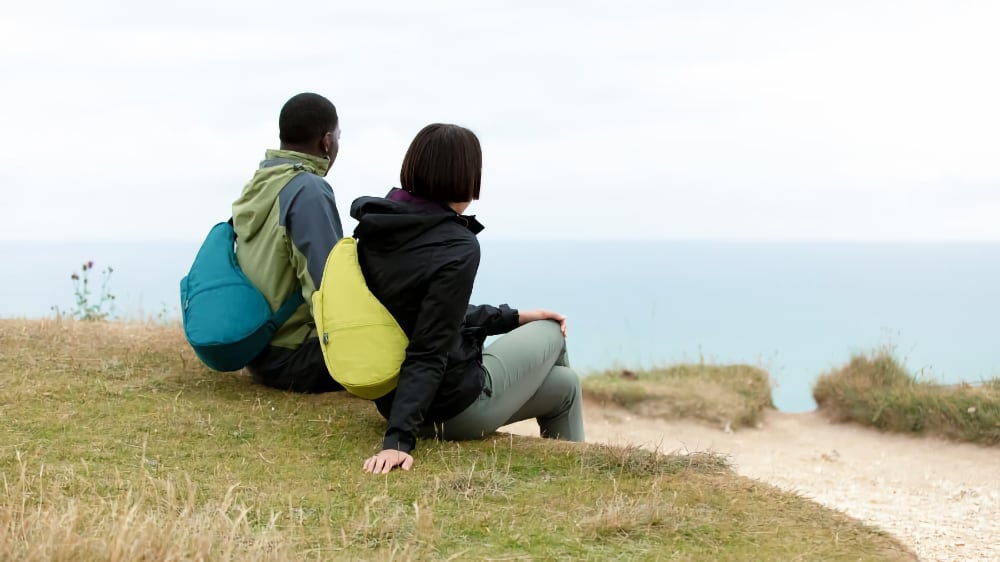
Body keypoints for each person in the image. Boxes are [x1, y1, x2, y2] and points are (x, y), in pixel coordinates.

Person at [351, 123, 585, 474]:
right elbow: (428, 347)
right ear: (466, 177)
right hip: (452, 408)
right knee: (553, 330)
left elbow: (422, 314)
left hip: (395, 398)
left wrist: (515, 316)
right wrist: (398, 442)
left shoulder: (379, 227)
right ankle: (575, 476)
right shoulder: (455, 245)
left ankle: (573, 477)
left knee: (566, 386)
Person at [231, 92, 346, 393]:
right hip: (296, 359)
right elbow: (328, 289)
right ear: (327, 141)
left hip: (259, 350)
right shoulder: (309, 191)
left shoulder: (263, 181)